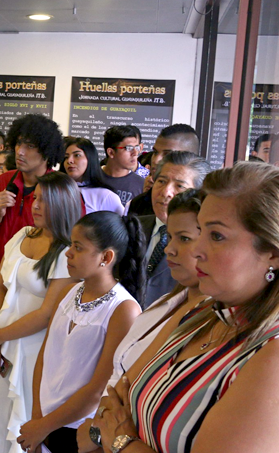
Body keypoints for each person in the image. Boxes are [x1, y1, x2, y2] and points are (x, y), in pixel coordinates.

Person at [92, 162, 279, 453]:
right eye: (201, 231)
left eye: (216, 236)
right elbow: (115, 400)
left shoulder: (271, 356)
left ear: (273, 252)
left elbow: (115, 424)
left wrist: (121, 443)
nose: (197, 250)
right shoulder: (203, 312)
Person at [76, 190, 207, 453]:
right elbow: (117, 384)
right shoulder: (163, 307)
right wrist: (99, 429)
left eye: (184, 238)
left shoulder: (220, 325)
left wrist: (115, 437)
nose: (169, 248)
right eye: (170, 236)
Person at [0, 114, 63, 443]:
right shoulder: (4, 181)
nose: (21, 151)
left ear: (46, 152)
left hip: (36, 293)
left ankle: (16, 431)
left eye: (30, 146)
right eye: (18, 143)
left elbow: (67, 239)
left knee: (23, 371)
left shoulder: (59, 190)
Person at [16, 211, 144, 453]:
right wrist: (37, 420)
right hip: (44, 420)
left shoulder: (123, 309)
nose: (68, 252)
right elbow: (45, 357)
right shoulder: (69, 292)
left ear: (106, 257)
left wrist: (44, 425)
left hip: (80, 429)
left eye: (78, 247)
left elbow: (98, 388)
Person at [0, 172, 81, 453]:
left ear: (63, 205)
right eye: (35, 198)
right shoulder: (23, 234)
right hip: (0, 338)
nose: (35, 205)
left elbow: (47, 313)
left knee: (21, 422)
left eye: (44, 201)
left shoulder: (67, 252)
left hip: (35, 348)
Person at [135, 151, 210, 308]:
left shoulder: (205, 242)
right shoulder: (132, 228)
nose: (166, 192)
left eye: (179, 185)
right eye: (161, 181)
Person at [129, 124, 200, 215]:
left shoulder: (203, 207)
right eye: (155, 152)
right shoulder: (139, 203)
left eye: (167, 155)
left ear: (189, 157)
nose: (156, 160)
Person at [61, 137, 125, 215]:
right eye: (66, 157)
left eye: (77, 155)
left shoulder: (105, 195)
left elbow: (120, 225)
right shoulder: (57, 190)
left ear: (90, 158)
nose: (69, 161)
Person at [100, 126, 144, 206]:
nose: (135, 153)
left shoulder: (141, 185)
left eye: (137, 147)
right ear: (111, 153)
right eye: (129, 148)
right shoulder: (90, 178)